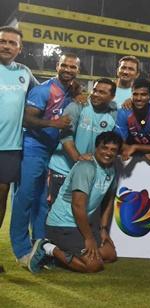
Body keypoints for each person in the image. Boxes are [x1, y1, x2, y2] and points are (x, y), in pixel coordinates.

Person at [10, 53, 79, 268]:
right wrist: (54, 124)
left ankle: (40, 248)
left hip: (50, 151)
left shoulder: (72, 91)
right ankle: (21, 250)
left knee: (42, 202)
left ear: (78, 70)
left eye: (73, 67)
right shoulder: (44, 89)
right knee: (25, 198)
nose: (68, 69)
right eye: (64, 65)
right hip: (33, 148)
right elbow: (27, 118)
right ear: (57, 66)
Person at [29, 131, 122, 273]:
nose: (108, 153)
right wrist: (89, 238)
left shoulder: (111, 169)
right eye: (104, 148)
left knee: (110, 255)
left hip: (80, 225)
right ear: (96, 148)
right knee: (94, 265)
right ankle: (47, 247)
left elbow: (108, 201)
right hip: (62, 225)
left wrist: (103, 230)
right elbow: (77, 206)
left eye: (113, 150)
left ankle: (65, 254)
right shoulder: (86, 168)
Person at [0, 26, 38, 272]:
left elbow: (47, 93)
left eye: (12, 43)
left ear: (20, 48)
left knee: (1, 201)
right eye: (2, 41)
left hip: (9, 149)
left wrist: (75, 92)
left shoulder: (25, 73)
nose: (6, 46)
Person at [47, 78, 118, 205]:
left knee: (81, 213)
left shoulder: (114, 113)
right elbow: (65, 137)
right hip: (64, 169)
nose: (95, 94)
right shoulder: (77, 105)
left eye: (102, 92)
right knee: (57, 213)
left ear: (112, 97)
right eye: (95, 90)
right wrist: (78, 158)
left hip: (88, 172)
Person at [115, 78, 150, 166]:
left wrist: (135, 147)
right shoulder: (123, 112)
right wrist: (143, 153)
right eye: (135, 94)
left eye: (143, 95)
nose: (139, 98)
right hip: (134, 158)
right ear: (131, 95)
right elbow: (119, 144)